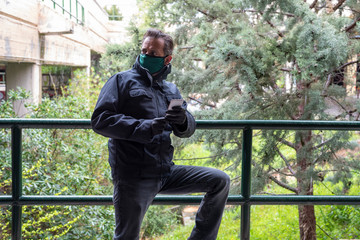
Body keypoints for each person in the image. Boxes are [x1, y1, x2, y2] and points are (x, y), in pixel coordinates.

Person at [91, 28, 230, 240]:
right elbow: (100, 120)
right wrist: (144, 127)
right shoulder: (121, 81)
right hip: (133, 176)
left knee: (220, 180)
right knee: (126, 236)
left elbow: (188, 128)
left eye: (153, 54)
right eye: (144, 51)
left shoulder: (170, 90)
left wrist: (183, 120)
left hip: (166, 172)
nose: (146, 56)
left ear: (167, 59)